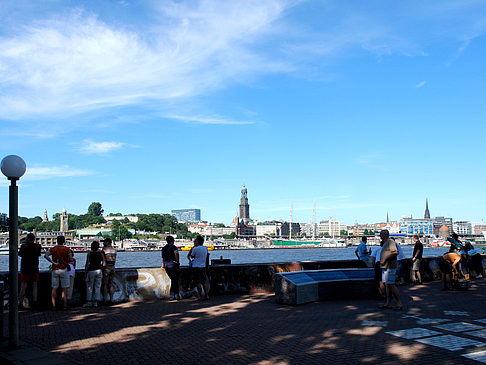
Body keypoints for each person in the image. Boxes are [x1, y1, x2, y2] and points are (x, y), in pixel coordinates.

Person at [45, 235, 73, 309]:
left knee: (54, 288)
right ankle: (64, 304)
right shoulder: (67, 249)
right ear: (64, 241)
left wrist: (53, 262)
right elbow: (70, 258)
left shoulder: (53, 249)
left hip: (55, 269)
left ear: (57, 241)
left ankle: (53, 305)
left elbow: (46, 255)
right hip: (64, 269)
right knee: (64, 288)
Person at [379, 230, 403, 310]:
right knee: (387, 285)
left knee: (391, 284)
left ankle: (399, 303)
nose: (380, 236)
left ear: (384, 235)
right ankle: (388, 303)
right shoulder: (385, 242)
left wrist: (385, 259)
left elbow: (395, 252)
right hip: (385, 267)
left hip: (390, 267)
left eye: (381, 235)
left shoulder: (390, 241)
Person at [18, 233, 42, 309]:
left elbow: (20, 254)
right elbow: (38, 254)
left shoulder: (24, 246)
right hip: (34, 268)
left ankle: (20, 302)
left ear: (28, 239)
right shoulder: (38, 246)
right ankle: (35, 302)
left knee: (23, 285)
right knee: (35, 285)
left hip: (25, 268)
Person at [84, 241, 105, 308]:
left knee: (89, 287)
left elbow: (87, 264)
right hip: (99, 271)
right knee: (97, 286)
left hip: (91, 271)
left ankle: (89, 301)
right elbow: (104, 263)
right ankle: (96, 301)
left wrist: (86, 272)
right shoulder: (101, 254)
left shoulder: (89, 254)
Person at [188, 235, 209, 300]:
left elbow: (192, 256)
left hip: (196, 267)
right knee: (204, 282)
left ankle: (200, 296)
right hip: (203, 266)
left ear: (197, 241)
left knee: (198, 282)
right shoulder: (205, 248)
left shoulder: (195, 249)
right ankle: (207, 295)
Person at [162, 235, 181, 300]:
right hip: (174, 265)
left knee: (173, 280)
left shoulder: (164, 248)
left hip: (167, 266)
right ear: (172, 240)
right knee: (175, 280)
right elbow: (176, 253)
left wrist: (163, 265)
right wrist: (177, 261)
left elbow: (163, 258)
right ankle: (174, 295)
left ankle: (174, 295)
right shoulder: (174, 247)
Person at [102, 238, 117, 305]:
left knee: (105, 284)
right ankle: (111, 299)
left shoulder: (104, 250)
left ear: (107, 242)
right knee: (111, 284)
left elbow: (103, 259)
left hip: (106, 267)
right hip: (113, 267)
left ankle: (104, 299)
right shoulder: (114, 250)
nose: (103, 243)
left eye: (104, 242)